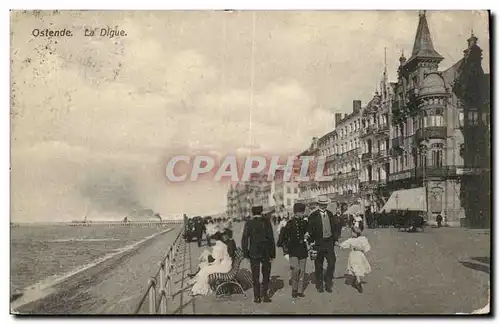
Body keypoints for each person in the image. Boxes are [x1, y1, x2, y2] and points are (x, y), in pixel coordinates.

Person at [306, 195, 343, 293]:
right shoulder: (313, 216)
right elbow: (309, 229)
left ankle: (328, 281)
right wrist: (310, 242)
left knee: (332, 262)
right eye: (322, 204)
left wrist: (335, 238)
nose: (324, 206)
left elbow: (334, 226)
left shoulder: (330, 214)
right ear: (318, 204)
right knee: (318, 264)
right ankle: (319, 285)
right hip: (318, 243)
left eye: (325, 204)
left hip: (329, 242)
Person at [241, 205, 276, 303]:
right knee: (266, 274)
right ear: (261, 212)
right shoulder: (266, 221)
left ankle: (257, 297)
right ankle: (265, 295)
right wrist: (272, 254)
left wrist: (246, 253)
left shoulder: (249, 223)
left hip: (254, 252)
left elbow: (244, 239)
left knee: (255, 276)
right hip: (266, 252)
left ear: (252, 213)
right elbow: (271, 239)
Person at [277, 202, 308, 298]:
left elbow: (310, 233)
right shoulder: (289, 224)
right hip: (293, 250)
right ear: (296, 213)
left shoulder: (305, 223)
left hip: (303, 250)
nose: (302, 214)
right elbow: (282, 238)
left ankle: (299, 291)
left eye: (303, 212)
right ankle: (294, 289)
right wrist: (285, 249)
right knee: (295, 269)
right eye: (300, 212)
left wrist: (308, 236)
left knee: (302, 271)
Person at [189, 230, 232, 296]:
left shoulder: (219, 245)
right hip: (225, 264)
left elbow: (216, 258)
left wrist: (212, 262)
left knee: (205, 270)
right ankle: (197, 287)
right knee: (205, 268)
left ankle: (198, 289)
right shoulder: (222, 244)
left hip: (224, 267)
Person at [338, 226, 371, 293]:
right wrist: (362, 249)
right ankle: (357, 280)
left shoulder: (352, 240)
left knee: (356, 267)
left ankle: (358, 283)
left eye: (352, 232)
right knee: (357, 267)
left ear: (355, 233)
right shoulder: (363, 239)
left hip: (354, 255)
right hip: (359, 255)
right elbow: (367, 248)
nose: (351, 233)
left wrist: (338, 244)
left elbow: (343, 245)